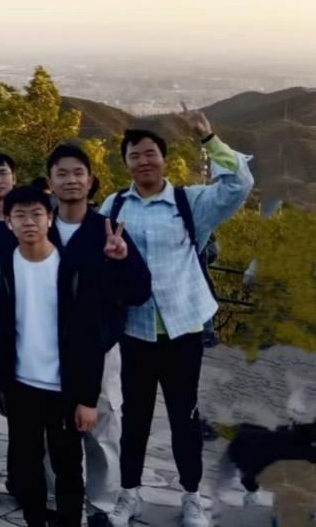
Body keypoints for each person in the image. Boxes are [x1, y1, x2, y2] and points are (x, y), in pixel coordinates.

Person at [103, 110, 254, 527]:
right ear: (126, 163)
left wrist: (209, 139)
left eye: (150, 153)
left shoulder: (191, 203)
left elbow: (240, 184)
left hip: (183, 330)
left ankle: (191, 497)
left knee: (184, 419)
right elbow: (101, 263)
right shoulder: (114, 205)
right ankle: (129, 494)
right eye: (135, 155)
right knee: (134, 420)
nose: (143, 161)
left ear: (164, 159)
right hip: (135, 331)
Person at [45, 145, 152, 527]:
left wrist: (121, 260)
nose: (71, 180)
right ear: (50, 182)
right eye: (62, 173)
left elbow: (139, 292)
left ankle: (101, 507)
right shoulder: (41, 230)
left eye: (78, 172)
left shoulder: (108, 231)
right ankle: (57, 501)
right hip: (49, 350)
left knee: (102, 431)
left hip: (101, 349)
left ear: (91, 181)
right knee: (52, 431)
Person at [0, 185, 107, 527]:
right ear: (9, 222)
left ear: (50, 218)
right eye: (20, 215)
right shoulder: (2, 265)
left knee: (68, 466)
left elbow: (91, 336)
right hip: (21, 387)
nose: (29, 222)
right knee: (27, 467)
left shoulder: (72, 267)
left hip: (64, 390)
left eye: (36, 214)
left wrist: (88, 398)